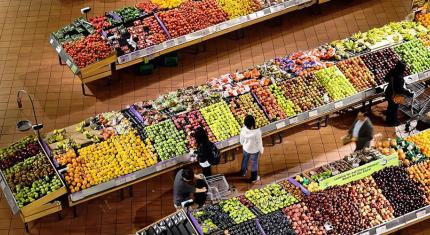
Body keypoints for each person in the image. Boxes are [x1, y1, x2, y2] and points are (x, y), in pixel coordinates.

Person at [384, 61, 414, 126]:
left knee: (390, 107)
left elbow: (386, 79)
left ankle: (388, 120)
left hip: (389, 92)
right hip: (397, 95)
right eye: (404, 68)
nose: (405, 69)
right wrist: (408, 92)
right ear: (402, 69)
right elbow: (400, 89)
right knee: (395, 108)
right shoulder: (399, 77)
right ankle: (393, 122)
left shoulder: (392, 71)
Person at [239, 115, 264, 183]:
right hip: (254, 150)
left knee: (245, 159)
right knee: (254, 162)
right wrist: (261, 150)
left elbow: (241, 140)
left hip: (246, 148)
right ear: (253, 124)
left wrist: (243, 144)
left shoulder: (243, 130)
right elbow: (259, 143)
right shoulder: (257, 132)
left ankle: (243, 172)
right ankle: (253, 178)